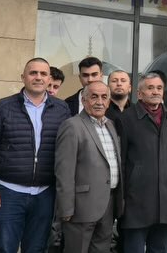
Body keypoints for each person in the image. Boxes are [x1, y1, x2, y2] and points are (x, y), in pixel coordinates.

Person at [0, 58, 73, 253]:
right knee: (4, 248)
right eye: (33, 73)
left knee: (37, 249)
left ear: (49, 79)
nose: (38, 77)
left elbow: (68, 151)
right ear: (23, 77)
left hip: (45, 194)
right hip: (8, 193)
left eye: (43, 74)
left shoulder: (61, 109)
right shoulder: (4, 106)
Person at [55, 81, 123, 253]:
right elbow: (64, 171)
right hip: (81, 208)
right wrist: (66, 208)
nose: (99, 102)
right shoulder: (72, 125)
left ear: (109, 102)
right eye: (94, 97)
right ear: (84, 100)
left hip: (108, 205)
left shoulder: (111, 125)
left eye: (104, 97)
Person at [117, 72, 167, 252]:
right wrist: (121, 197)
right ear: (139, 93)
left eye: (159, 88)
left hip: (166, 200)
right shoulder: (126, 118)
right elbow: (121, 161)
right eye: (150, 88)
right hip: (137, 200)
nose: (155, 92)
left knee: (160, 249)